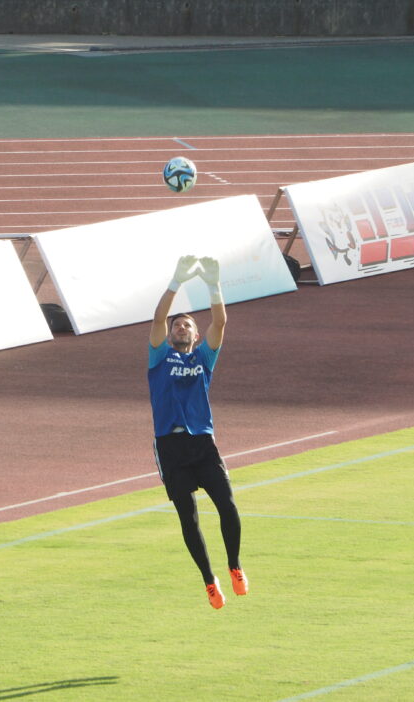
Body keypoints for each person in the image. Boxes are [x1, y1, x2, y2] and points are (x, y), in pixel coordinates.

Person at [148, 255, 247, 610]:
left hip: (202, 442)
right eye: (178, 325)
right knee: (188, 518)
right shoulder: (159, 357)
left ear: (195, 334)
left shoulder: (203, 359)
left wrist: (213, 285)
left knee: (228, 505)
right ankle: (209, 580)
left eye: (187, 325)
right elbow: (159, 318)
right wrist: (175, 282)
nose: (180, 327)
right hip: (170, 446)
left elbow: (220, 321)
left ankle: (234, 566)